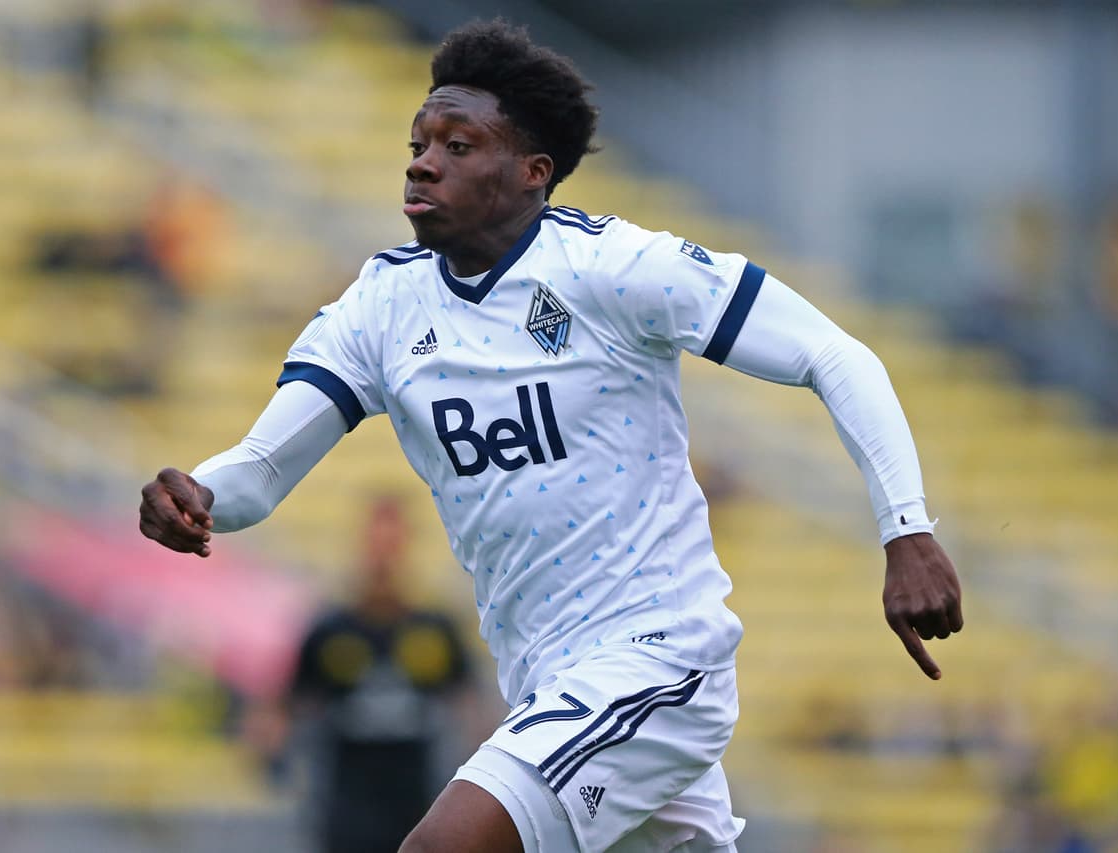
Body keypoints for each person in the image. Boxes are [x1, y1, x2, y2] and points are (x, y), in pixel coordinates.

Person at [139, 19, 963, 852]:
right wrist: (200, 495)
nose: (423, 161)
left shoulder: (611, 271)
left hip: (654, 658)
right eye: (420, 140)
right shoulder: (380, 308)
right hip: (545, 681)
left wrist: (907, 528)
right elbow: (263, 468)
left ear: (533, 173)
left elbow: (832, 352)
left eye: (459, 145)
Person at [252, 496, 476, 852]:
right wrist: (273, 754)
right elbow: (284, 702)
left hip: (418, 802)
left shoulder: (435, 628)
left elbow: (470, 704)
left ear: (405, 545)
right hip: (345, 806)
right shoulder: (330, 629)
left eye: (392, 542)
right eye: (376, 542)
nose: (383, 556)